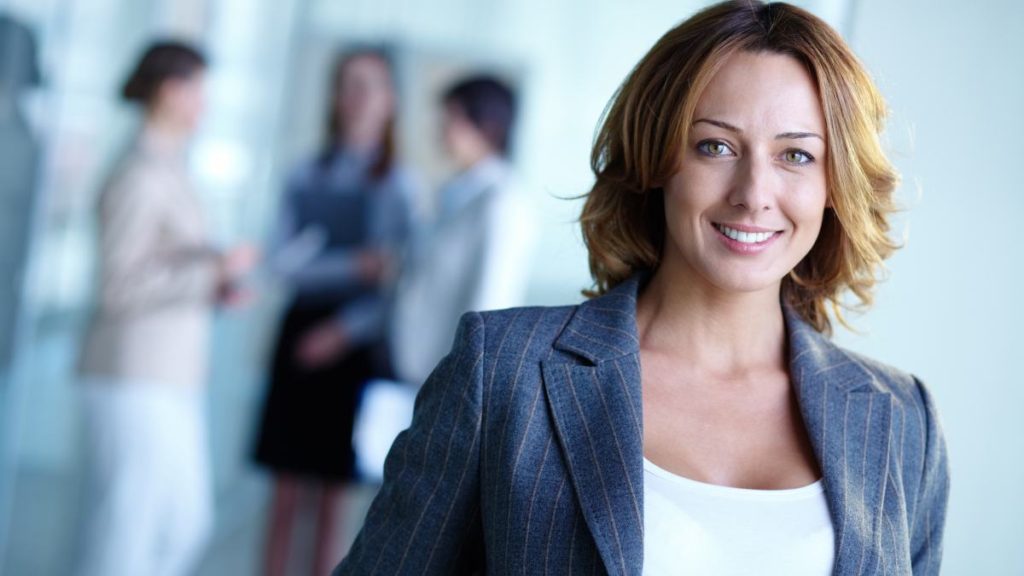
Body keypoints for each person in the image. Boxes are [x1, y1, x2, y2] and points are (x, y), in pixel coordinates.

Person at [333, 1, 950, 575]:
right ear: (656, 162)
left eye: (796, 156)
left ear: (835, 185)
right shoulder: (503, 372)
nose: (753, 193)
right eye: (715, 146)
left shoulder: (902, 419)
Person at [76, 41, 257, 576]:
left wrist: (215, 283)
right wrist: (210, 273)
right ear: (170, 91)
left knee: (184, 524)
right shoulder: (137, 173)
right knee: (128, 528)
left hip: (171, 375)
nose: (205, 103)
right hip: (132, 372)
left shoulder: (171, 167)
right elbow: (119, 284)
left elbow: (169, 265)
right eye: (198, 89)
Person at [252, 46, 416, 576]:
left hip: (355, 345)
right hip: (300, 333)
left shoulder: (399, 185)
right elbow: (281, 265)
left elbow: (397, 282)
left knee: (332, 499)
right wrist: (354, 264)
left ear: (390, 100)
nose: (359, 97)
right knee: (283, 491)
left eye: (371, 85)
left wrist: (343, 330)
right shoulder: (305, 172)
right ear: (334, 97)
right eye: (349, 84)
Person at [389, 74, 535, 388]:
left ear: (488, 126)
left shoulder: (501, 202)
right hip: (414, 366)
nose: (441, 129)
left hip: (449, 380)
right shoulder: (454, 193)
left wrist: (461, 385)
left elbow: (490, 304)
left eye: (452, 119)